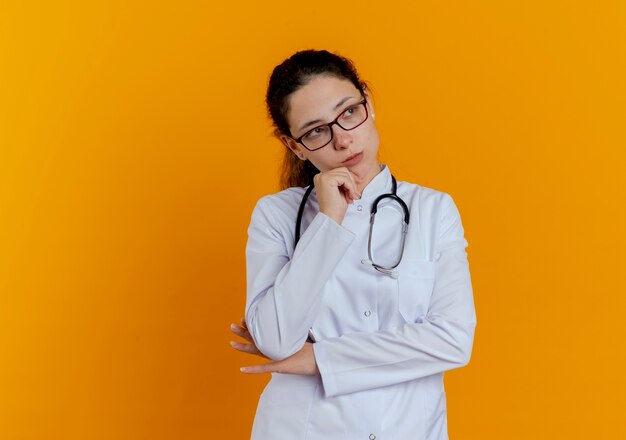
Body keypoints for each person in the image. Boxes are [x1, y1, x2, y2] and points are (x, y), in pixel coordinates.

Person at [230, 49, 476, 440]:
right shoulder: (276, 215)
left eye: (348, 112)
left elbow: (453, 341)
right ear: (294, 146)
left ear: (369, 102)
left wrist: (319, 360)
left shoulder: (433, 210)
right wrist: (329, 222)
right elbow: (276, 339)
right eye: (315, 131)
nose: (342, 140)